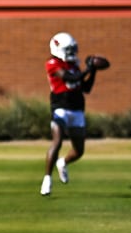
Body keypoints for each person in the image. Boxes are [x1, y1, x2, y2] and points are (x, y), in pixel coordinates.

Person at [41, 33, 101, 196]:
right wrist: (89, 68)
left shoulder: (74, 65)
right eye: (68, 49)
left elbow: (86, 88)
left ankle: (63, 162)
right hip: (60, 107)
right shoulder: (53, 63)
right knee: (58, 141)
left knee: (79, 151)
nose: (72, 52)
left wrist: (93, 70)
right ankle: (47, 179)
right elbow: (69, 77)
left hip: (77, 108)